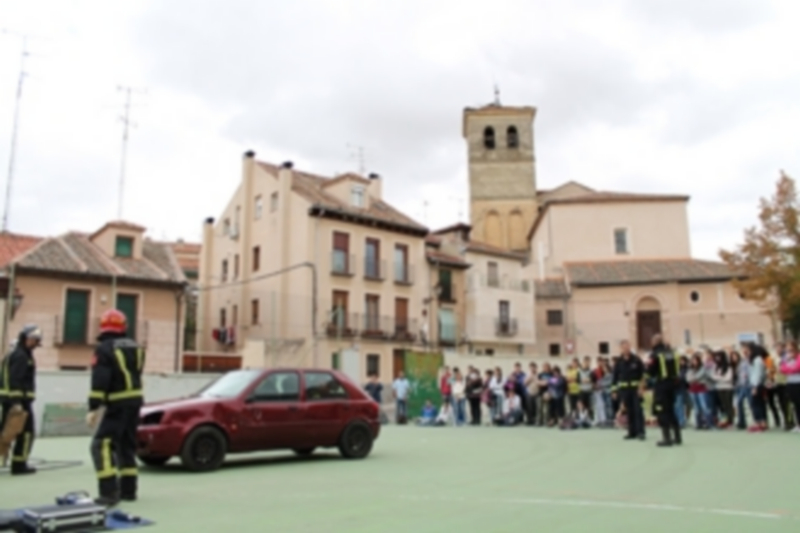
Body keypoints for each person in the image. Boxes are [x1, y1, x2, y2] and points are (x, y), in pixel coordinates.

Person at [86, 310, 145, 506]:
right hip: (135, 402)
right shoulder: (136, 347)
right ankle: (129, 490)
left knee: (100, 445)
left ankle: (109, 492)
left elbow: (101, 378)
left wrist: (94, 407)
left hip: (117, 404)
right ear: (124, 326)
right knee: (126, 445)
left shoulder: (104, 348)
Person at [0, 325, 42, 475]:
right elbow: (15, 380)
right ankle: (19, 465)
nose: (36, 343)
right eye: (34, 340)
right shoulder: (21, 356)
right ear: (26, 338)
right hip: (19, 403)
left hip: (11, 401)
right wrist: (17, 402)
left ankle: (17, 463)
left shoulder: (17, 354)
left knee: (6, 433)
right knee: (26, 433)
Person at [645, 334, 682, 447]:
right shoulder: (672, 353)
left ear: (655, 342)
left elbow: (650, 371)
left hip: (662, 385)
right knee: (671, 410)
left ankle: (667, 438)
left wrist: (645, 378)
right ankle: (677, 437)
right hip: (673, 384)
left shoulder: (655, 354)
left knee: (662, 411)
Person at [611, 340, 646, 441]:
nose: (626, 348)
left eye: (627, 346)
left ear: (630, 347)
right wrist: (614, 391)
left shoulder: (636, 360)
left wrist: (641, 388)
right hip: (625, 391)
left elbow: (643, 375)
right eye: (624, 347)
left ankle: (640, 432)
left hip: (635, 390)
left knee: (638, 411)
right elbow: (615, 377)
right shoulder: (619, 362)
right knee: (629, 411)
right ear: (621, 348)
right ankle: (631, 432)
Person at [746, 343, 768, 432]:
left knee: (756, 404)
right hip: (755, 384)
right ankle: (762, 422)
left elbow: (758, 374)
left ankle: (759, 422)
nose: (747, 352)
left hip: (757, 384)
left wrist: (755, 386)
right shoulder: (754, 360)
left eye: (748, 350)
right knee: (759, 403)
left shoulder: (757, 360)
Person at [779, 341, 800, 432]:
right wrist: (789, 368)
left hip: (798, 382)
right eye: (787, 350)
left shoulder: (798, 357)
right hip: (790, 383)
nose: (789, 351)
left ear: (795, 348)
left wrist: (789, 369)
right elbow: (782, 369)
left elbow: (797, 368)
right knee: (795, 404)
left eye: (791, 349)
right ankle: (798, 424)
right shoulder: (786, 358)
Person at [711, 351, 734, 428]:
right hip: (719, 388)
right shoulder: (716, 367)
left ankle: (730, 421)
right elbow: (713, 377)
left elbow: (728, 378)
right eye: (716, 356)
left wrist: (719, 378)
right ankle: (725, 421)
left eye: (719, 356)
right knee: (723, 406)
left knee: (728, 405)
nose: (717, 358)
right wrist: (721, 378)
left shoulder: (728, 367)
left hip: (728, 388)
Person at [731, 350, 751, 430]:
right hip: (737, 386)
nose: (734, 358)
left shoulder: (742, 363)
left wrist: (744, 382)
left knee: (748, 403)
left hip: (745, 385)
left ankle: (757, 422)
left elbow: (745, 374)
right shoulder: (733, 365)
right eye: (732, 357)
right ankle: (741, 422)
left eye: (735, 356)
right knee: (738, 404)